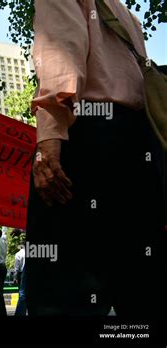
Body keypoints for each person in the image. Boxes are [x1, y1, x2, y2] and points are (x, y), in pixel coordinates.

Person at [28, 0, 166, 316]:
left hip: (88, 144)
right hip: (140, 149)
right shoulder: (126, 15)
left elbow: (60, 62)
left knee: (63, 291)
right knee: (140, 289)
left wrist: (49, 144)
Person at [14, 242, 26, 316]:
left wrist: (15, 277)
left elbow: (16, 268)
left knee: (22, 292)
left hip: (21, 274)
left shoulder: (18, 254)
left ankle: (22, 311)